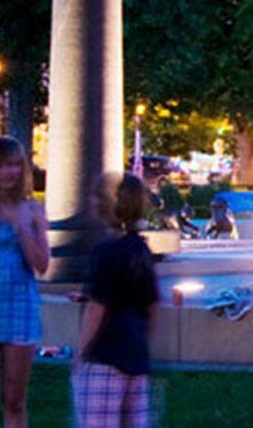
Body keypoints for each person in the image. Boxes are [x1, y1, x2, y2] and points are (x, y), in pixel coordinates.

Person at [73, 174, 158, 427]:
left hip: (104, 357)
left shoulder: (106, 251)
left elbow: (97, 308)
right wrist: (143, 342)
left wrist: (81, 353)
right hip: (135, 356)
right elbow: (152, 303)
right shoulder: (140, 250)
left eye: (96, 197)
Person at [0, 136, 48, 428]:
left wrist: (22, 230)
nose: (6, 173)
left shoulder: (33, 210)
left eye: (13, 165)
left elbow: (42, 265)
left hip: (19, 308)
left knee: (14, 398)